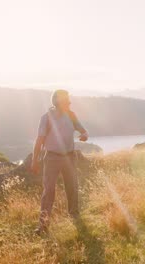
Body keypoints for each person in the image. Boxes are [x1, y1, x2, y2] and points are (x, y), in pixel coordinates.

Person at [31, 89, 89, 235]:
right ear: (57, 102)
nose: (69, 102)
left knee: (72, 187)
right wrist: (34, 160)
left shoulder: (72, 115)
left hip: (69, 157)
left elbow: (83, 130)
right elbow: (39, 140)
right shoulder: (46, 118)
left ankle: (75, 217)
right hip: (52, 157)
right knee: (49, 191)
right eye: (66, 100)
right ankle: (43, 225)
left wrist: (84, 134)